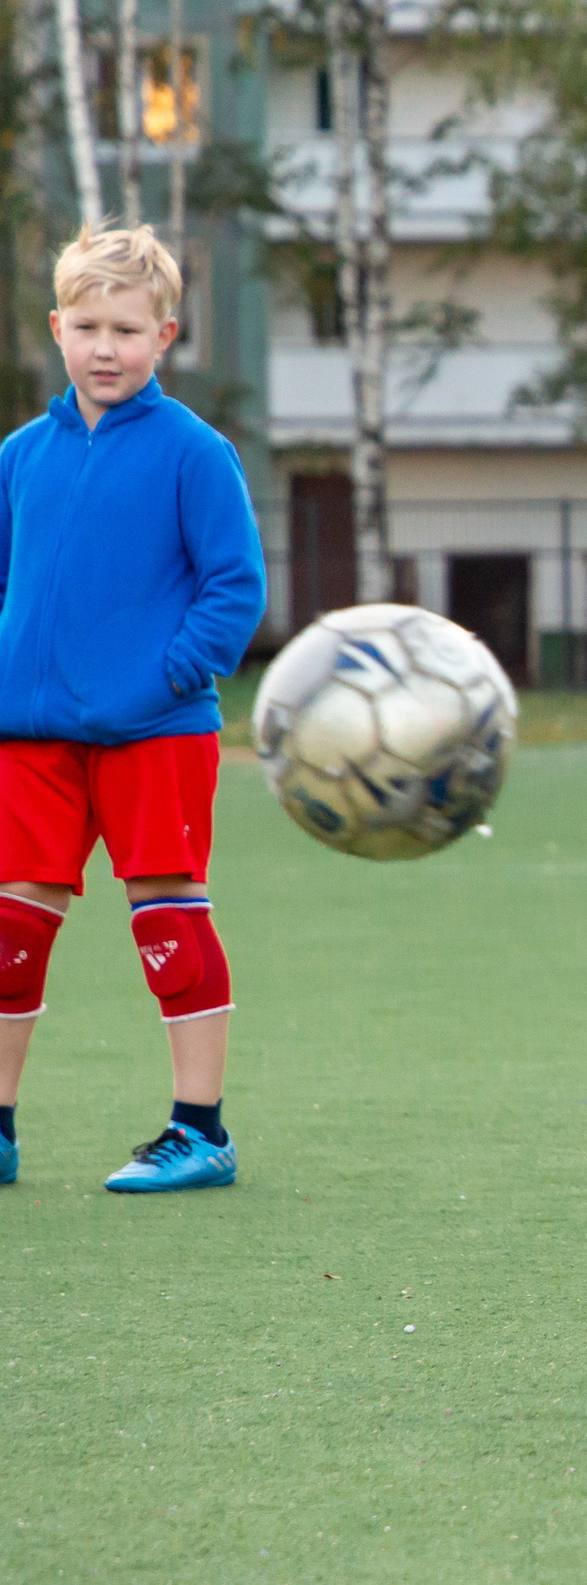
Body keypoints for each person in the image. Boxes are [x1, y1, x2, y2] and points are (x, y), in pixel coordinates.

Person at [0, 224, 267, 1193]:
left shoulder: (194, 452)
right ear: (55, 328)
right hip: (29, 741)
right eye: (87, 326)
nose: (105, 347)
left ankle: (201, 1131)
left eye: (127, 328)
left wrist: (160, 678)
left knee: (167, 921)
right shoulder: (20, 456)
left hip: (155, 734)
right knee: (10, 931)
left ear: (166, 334)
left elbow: (234, 587)